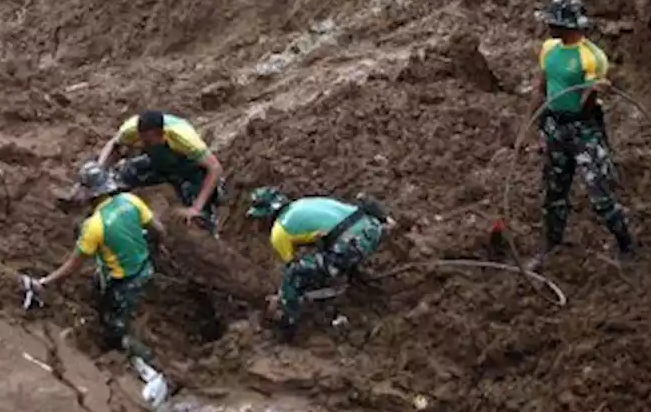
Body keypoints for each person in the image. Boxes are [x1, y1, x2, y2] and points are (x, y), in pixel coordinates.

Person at [516, 0, 635, 270]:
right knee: (554, 191)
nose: (548, 27)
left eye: (552, 22)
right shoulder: (549, 49)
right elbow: (541, 87)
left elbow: (584, 108)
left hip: (583, 130)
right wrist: (529, 127)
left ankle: (626, 245)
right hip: (554, 126)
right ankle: (552, 247)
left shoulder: (592, 58)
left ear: (566, 25)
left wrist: (593, 92)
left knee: (600, 193)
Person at [26, 162, 165, 361]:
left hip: (125, 282)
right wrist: (156, 248)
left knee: (115, 328)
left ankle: (144, 358)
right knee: (100, 285)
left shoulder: (94, 226)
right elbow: (158, 230)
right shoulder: (130, 200)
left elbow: (73, 265)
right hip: (145, 267)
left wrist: (43, 283)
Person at [245, 187, 387, 343]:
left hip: (353, 245)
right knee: (326, 252)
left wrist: (283, 295)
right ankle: (349, 276)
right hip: (372, 227)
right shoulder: (302, 203)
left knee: (293, 275)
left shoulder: (279, 231)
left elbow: (291, 265)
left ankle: (287, 326)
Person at [96, 109, 225, 234]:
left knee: (197, 217)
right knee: (125, 173)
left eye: (148, 141)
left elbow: (215, 168)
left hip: (186, 167)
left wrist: (196, 208)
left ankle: (209, 219)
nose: (143, 143)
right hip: (156, 162)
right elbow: (113, 144)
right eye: (141, 139)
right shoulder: (130, 130)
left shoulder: (184, 138)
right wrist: (99, 170)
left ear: (161, 133)